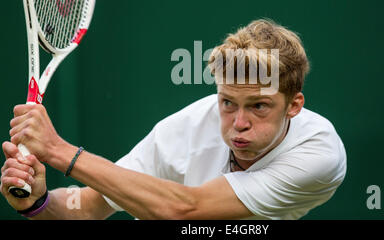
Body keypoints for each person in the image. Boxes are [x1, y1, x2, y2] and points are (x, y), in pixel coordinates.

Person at [1, 19, 346, 220]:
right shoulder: (187, 128)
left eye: (258, 106)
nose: (238, 122)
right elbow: (86, 208)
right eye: (227, 102)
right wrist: (38, 201)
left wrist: (59, 151)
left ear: (293, 106)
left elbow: (184, 209)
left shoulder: (318, 153)